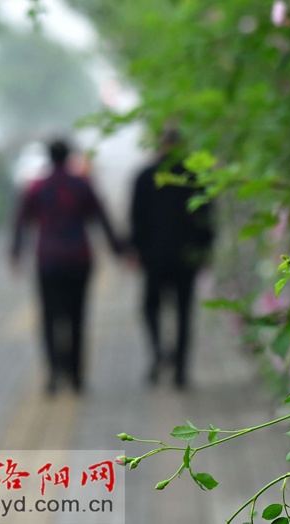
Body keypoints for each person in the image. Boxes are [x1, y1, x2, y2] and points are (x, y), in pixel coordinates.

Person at [10, 139, 123, 394]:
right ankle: (76, 377)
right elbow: (102, 218)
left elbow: (21, 221)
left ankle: (53, 374)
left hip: (48, 260)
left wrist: (16, 254)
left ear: (49, 157)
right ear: (69, 156)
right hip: (78, 259)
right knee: (77, 316)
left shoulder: (36, 187)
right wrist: (119, 250)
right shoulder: (81, 184)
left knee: (50, 318)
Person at [129, 128, 214, 389]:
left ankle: (158, 352)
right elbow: (206, 218)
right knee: (184, 312)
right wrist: (204, 250)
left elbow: (136, 219)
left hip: (155, 257)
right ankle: (180, 371)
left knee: (150, 307)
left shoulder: (145, 176)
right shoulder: (196, 177)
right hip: (186, 257)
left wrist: (136, 251)